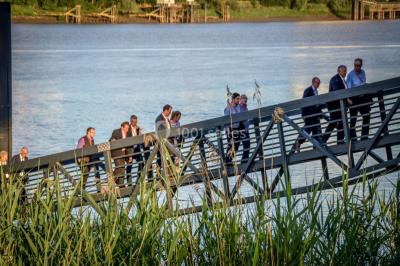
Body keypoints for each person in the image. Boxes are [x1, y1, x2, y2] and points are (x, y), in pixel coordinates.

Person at [323, 65, 351, 144]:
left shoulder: (342, 79)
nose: (345, 72)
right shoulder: (335, 79)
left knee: (341, 122)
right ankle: (323, 141)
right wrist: (347, 99)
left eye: (346, 70)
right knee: (333, 123)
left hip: (340, 105)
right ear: (339, 71)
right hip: (334, 106)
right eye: (344, 71)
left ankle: (340, 140)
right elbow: (337, 92)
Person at [294, 77, 323, 152]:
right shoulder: (308, 90)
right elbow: (304, 103)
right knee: (307, 130)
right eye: (317, 83)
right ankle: (298, 142)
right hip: (309, 115)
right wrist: (303, 115)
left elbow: (317, 103)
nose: (318, 84)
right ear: (313, 82)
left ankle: (316, 146)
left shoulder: (316, 91)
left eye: (319, 83)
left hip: (315, 115)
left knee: (316, 130)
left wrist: (319, 114)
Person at [346, 58, 371, 140]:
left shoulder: (363, 72)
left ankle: (364, 136)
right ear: (354, 65)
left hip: (362, 98)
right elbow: (348, 89)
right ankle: (353, 138)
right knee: (353, 119)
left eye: (359, 65)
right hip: (354, 99)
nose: (357, 67)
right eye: (356, 65)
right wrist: (349, 100)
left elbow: (363, 83)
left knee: (367, 116)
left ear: (361, 65)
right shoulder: (350, 75)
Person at [224, 92, 246, 163]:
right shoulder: (228, 108)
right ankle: (227, 162)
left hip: (238, 129)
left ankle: (228, 161)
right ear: (233, 99)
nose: (239, 100)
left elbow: (243, 115)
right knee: (231, 145)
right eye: (237, 99)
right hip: (230, 129)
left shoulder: (239, 107)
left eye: (239, 99)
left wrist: (244, 106)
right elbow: (226, 120)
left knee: (236, 146)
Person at [110, 122, 132, 187]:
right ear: (122, 127)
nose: (127, 130)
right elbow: (111, 139)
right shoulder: (116, 132)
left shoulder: (128, 133)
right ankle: (112, 180)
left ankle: (121, 186)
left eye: (128, 128)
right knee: (119, 167)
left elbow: (130, 146)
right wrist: (112, 140)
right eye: (126, 128)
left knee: (122, 170)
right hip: (116, 153)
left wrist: (130, 156)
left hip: (124, 153)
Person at [126, 115, 145, 184]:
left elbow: (140, 138)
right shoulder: (127, 129)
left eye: (135, 122)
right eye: (133, 122)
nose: (134, 123)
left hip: (137, 149)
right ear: (130, 121)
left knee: (141, 164)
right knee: (129, 167)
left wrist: (140, 131)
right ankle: (129, 182)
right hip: (130, 149)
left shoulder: (138, 128)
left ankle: (138, 180)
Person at [239, 94, 250, 162]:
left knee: (247, 145)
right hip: (241, 130)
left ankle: (244, 160)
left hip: (245, 130)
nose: (245, 100)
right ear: (240, 100)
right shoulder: (239, 108)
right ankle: (244, 161)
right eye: (244, 99)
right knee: (246, 145)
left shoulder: (245, 108)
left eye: (246, 99)